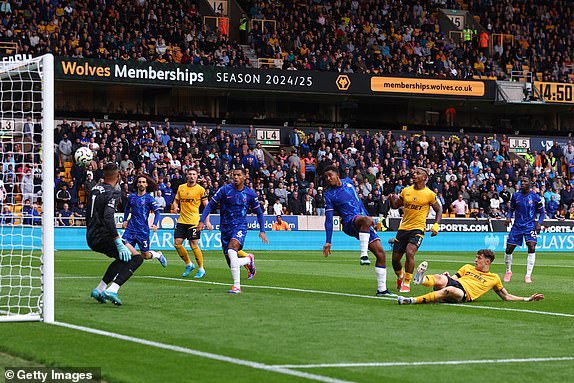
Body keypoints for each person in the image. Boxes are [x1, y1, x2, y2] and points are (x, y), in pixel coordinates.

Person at [322, 165, 393, 297]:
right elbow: (329, 219)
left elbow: (358, 201)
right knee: (366, 220)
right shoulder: (329, 194)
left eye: (330, 175)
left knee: (381, 254)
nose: (328, 178)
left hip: (363, 221)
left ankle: (382, 290)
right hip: (350, 222)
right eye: (326, 177)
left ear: (337, 175)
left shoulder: (348, 182)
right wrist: (328, 241)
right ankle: (363, 255)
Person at [198, 167, 268, 294]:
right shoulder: (225, 190)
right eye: (234, 175)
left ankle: (236, 286)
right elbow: (210, 205)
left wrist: (262, 230)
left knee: (232, 250)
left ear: (244, 177)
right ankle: (248, 259)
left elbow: (259, 213)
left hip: (240, 226)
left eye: (238, 175)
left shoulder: (250, 193)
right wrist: (202, 221)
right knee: (232, 263)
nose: (235, 177)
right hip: (225, 228)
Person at [397, 249, 544, 305]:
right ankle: (421, 279)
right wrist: (446, 276)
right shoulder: (467, 267)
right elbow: (453, 277)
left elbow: (506, 296)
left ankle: (412, 301)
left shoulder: (494, 278)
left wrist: (527, 298)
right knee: (440, 278)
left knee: (450, 290)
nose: (475, 260)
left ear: (487, 261)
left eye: (478, 258)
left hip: (464, 293)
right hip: (455, 282)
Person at [87, 163, 143, 306]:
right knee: (137, 258)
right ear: (118, 176)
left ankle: (99, 290)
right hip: (104, 235)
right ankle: (113, 290)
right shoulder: (113, 192)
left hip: (91, 236)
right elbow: (108, 216)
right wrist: (117, 240)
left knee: (122, 259)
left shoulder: (94, 189)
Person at [390, 167, 442, 293]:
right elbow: (396, 206)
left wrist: (436, 225)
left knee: (410, 252)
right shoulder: (406, 191)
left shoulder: (429, 194)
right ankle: (400, 276)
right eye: (414, 172)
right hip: (403, 228)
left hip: (418, 228)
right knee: (395, 260)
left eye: (418, 173)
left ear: (424, 178)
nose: (414, 174)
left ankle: (407, 282)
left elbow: (439, 210)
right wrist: (391, 200)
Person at [504, 176, 545, 284]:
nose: (522, 183)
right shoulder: (516, 196)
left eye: (525, 181)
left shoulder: (535, 197)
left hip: (530, 226)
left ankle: (528, 275)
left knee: (531, 246)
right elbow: (511, 209)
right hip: (517, 226)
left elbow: (542, 213)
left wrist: (539, 223)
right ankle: (508, 272)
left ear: (530, 183)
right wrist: (508, 217)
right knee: (509, 249)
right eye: (521, 181)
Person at [172, 168, 212, 278]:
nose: (192, 176)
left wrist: (206, 221)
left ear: (197, 176)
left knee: (193, 245)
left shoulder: (200, 189)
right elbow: (176, 200)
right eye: (190, 174)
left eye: (194, 174)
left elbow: (207, 206)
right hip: (182, 220)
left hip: (194, 221)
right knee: (177, 243)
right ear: (187, 175)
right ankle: (189, 264)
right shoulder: (181, 188)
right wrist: (175, 207)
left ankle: (201, 268)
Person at [122, 174, 167, 268]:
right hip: (130, 229)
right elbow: (127, 208)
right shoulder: (131, 197)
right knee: (123, 249)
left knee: (145, 255)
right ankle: (121, 272)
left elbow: (157, 212)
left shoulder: (149, 199)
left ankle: (157, 255)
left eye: (143, 182)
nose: (141, 184)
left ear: (146, 185)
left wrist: (155, 224)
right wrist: (125, 220)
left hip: (142, 230)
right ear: (137, 184)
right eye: (139, 182)